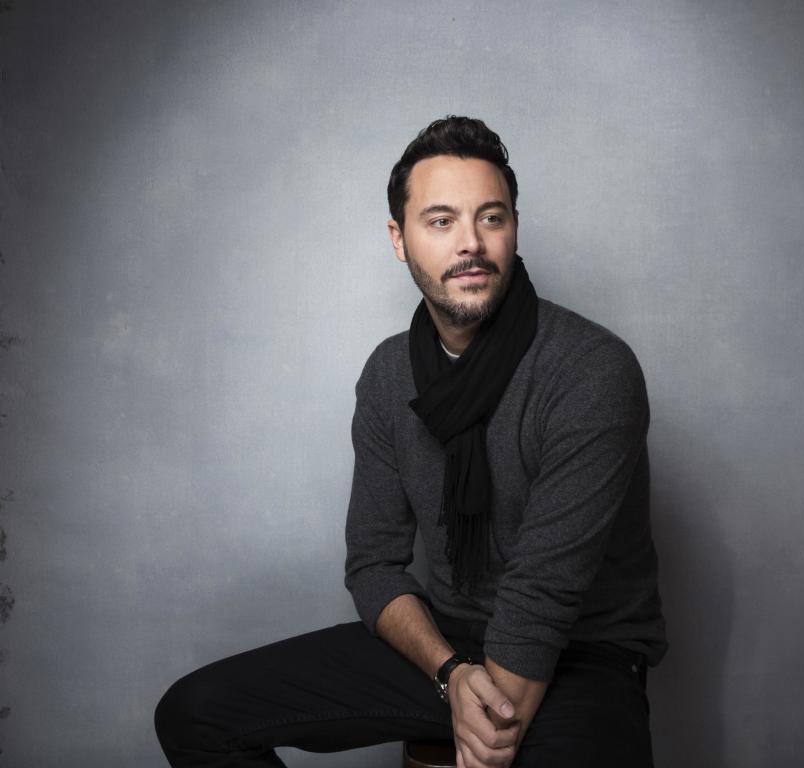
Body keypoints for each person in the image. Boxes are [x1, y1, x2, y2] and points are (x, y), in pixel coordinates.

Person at [154, 116, 667, 768]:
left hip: (584, 656)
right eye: (441, 221)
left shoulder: (590, 369)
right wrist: (450, 672)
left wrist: (488, 728)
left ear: (513, 227)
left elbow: (543, 596)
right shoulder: (388, 375)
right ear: (399, 239)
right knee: (196, 715)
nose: (471, 243)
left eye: (491, 217)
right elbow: (373, 565)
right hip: (446, 646)